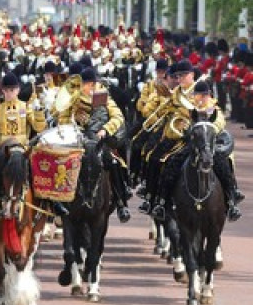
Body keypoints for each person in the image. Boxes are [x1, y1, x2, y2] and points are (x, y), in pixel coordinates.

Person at [151, 80, 243, 222]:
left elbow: (219, 123)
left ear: (209, 95)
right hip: (191, 144)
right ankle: (162, 202)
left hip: (209, 145)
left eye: (204, 95)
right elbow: (179, 122)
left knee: (223, 165)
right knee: (172, 164)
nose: (201, 97)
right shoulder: (188, 108)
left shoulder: (214, 109)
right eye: (198, 94)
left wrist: (207, 128)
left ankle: (231, 201)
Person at [55, 67, 130, 222]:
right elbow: (61, 118)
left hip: (98, 140)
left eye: (93, 84)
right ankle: (58, 203)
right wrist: (74, 121)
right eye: (88, 84)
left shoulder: (104, 95)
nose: (91, 87)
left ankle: (121, 202)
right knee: (61, 164)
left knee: (113, 162)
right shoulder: (72, 97)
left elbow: (118, 117)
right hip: (77, 140)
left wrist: (105, 130)